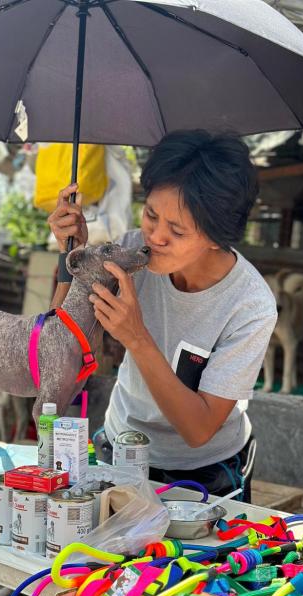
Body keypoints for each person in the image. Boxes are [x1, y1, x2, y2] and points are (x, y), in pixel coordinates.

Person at [48, 130, 277, 507]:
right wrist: (71, 258)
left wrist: (136, 338)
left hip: (205, 474)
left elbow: (199, 429)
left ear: (217, 238)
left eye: (177, 230)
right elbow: (59, 340)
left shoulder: (249, 305)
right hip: (119, 449)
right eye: (151, 214)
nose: (155, 237)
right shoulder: (131, 252)